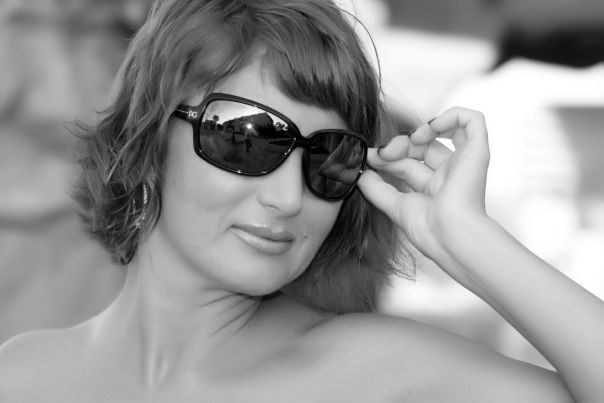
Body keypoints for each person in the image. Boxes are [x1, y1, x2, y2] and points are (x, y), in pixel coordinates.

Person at [1, 0, 603, 401]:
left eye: (330, 158)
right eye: (247, 138)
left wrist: (468, 238)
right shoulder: (20, 375)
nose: (290, 198)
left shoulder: (379, 373)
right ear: (150, 139)